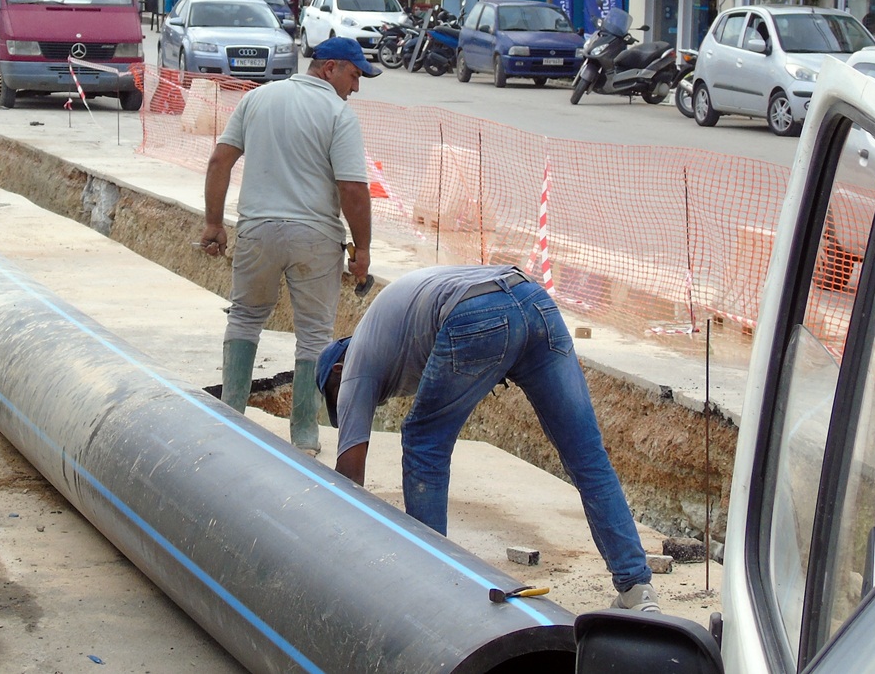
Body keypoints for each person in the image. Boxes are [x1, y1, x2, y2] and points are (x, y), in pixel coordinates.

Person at [315, 264, 661, 613]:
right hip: (533, 301)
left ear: (338, 373)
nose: (346, 404)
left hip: (477, 312)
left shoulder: (355, 365)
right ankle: (636, 588)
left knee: (424, 444)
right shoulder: (390, 335)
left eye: (336, 396)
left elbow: (350, 476)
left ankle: (431, 586)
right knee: (587, 455)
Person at [200, 37, 377, 453]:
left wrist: (213, 222)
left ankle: (231, 422)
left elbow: (219, 160)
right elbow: (351, 187)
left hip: (257, 229)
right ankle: (304, 436)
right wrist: (363, 248)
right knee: (314, 336)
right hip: (314, 237)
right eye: (354, 75)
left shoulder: (258, 98)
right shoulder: (338, 115)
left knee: (244, 319)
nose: (356, 87)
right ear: (329, 68)